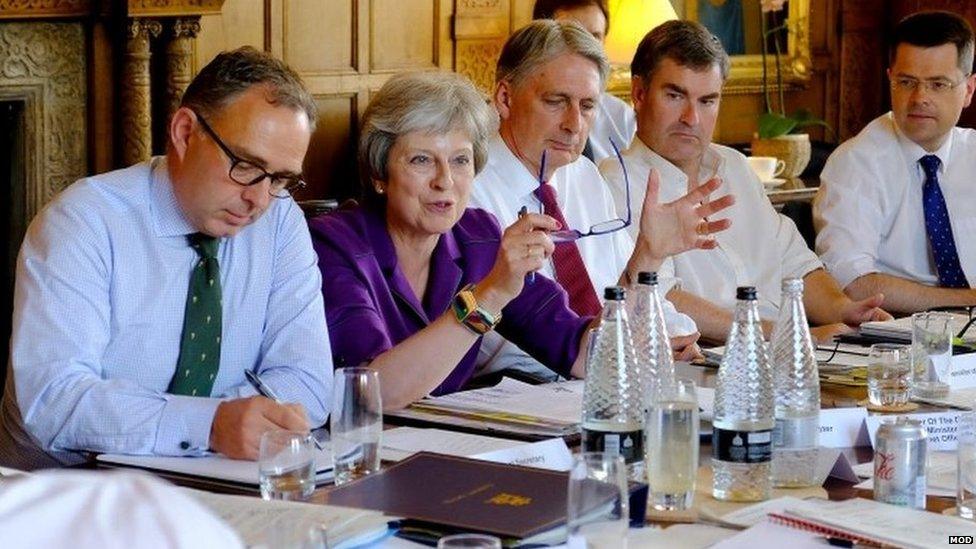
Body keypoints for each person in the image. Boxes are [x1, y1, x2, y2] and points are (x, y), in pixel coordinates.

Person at [309, 71, 727, 409]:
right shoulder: (335, 245)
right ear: (380, 173)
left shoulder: (477, 235)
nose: (444, 182)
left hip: (447, 453)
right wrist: (487, 298)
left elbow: (588, 356)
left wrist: (647, 260)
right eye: (421, 160)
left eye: (460, 161)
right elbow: (370, 393)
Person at [0, 47, 333, 469]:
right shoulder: (82, 222)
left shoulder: (280, 220)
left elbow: (308, 381)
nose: (259, 199)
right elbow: (54, 400)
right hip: (63, 494)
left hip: (219, 480)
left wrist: (231, 427)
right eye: (246, 166)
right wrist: (207, 425)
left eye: (282, 178)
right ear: (184, 131)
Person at [600, 20, 891, 343]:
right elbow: (660, 298)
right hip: (706, 362)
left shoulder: (735, 166)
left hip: (786, 351)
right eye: (675, 96)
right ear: (639, 94)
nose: (691, 118)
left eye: (707, 101)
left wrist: (843, 309)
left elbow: (793, 263)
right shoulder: (616, 183)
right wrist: (787, 337)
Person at [469, 20, 734, 360]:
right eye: (556, 101)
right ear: (505, 98)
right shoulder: (469, 188)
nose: (574, 124)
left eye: (588, 106)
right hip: (522, 384)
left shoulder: (584, 177)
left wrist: (676, 337)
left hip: (610, 367)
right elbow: (507, 343)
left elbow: (626, 291)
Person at [815, 11, 976, 315]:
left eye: (938, 84)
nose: (919, 98)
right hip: (896, 331)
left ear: (968, 90)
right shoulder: (855, 163)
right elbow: (853, 284)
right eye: (906, 82)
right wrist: (969, 301)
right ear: (890, 79)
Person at [532, 0, 637, 164]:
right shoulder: (517, 115)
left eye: (595, 37)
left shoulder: (622, 118)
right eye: (570, 36)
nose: (585, 49)